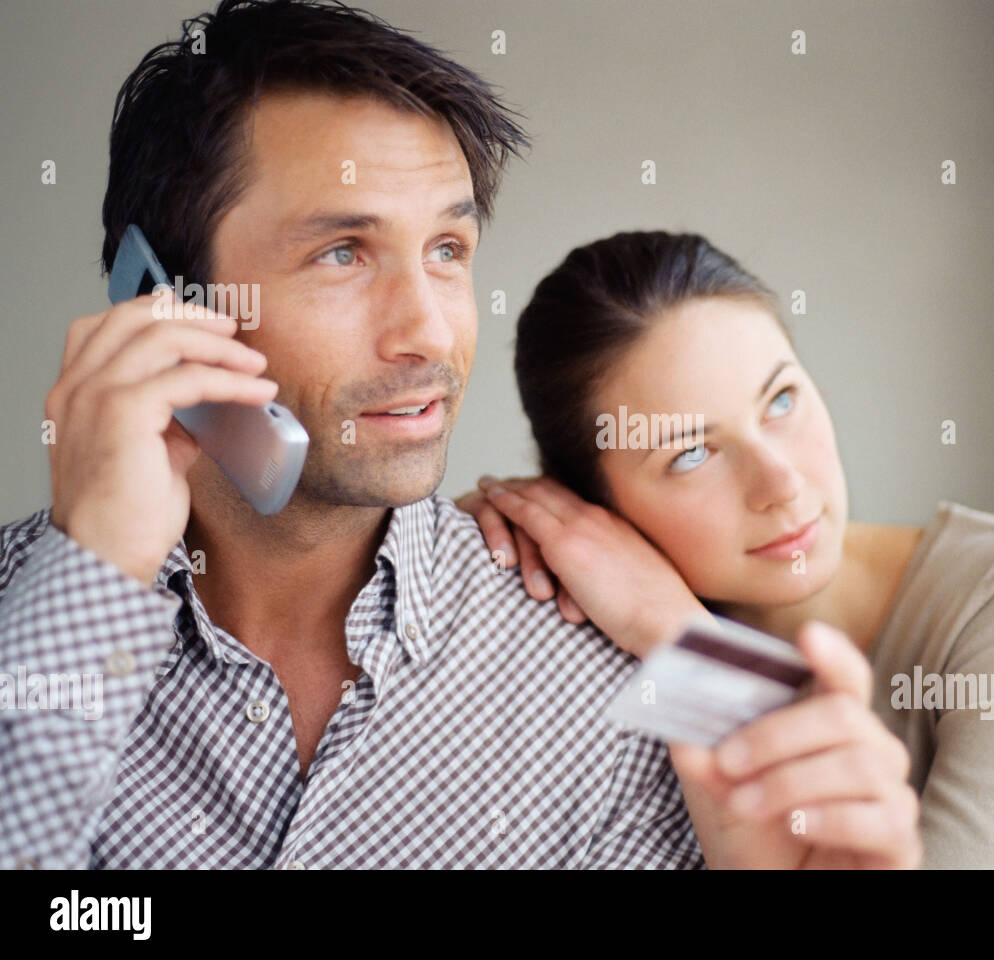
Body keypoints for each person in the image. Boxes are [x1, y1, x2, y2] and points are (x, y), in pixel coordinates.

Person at [0, 0, 920, 870]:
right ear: (161, 299)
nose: (431, 335)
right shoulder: (26, 627)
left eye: (448, 251)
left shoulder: (618, 685)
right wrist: (93, 575)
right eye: (342, 254)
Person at [456, 229, 994, 868]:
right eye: (691, 455)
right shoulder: (610, 654)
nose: (780, 482)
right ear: (597, 513)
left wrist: (668, 627)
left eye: (781, 401)